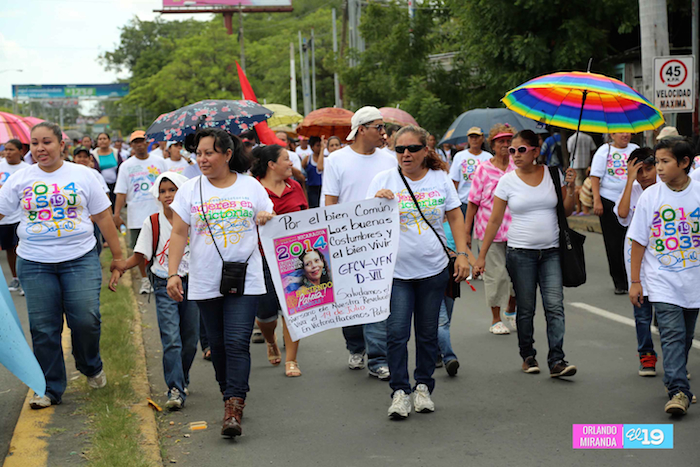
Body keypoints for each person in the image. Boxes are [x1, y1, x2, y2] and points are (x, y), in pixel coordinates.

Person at [0, 122, 125, 409]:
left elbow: (103, 217)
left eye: (47, 142)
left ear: (61, 145)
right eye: (35, 143)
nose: (40, 148)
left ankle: (90, 365)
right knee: (44, 328)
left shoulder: (84, 175)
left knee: (86, 320)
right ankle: (49, 387)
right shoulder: (20, 179)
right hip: (34, 262)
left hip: (79, 260)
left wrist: (118, 258)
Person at [166, 128, 274, 438]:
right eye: (198, 153)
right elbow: (178, 233)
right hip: (205, 278)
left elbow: (269, 215)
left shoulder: (251, 186)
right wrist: (173, 273)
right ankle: (229, 391)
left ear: (227, 154)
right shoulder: (189, 190)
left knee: (237, 342)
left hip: (246, 277)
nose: (202, 159)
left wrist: (265, 217)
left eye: (209, 153)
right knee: (218, 345)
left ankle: (234, 406)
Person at [368, 125, 474, 419]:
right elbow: (366, 223)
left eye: (412, 149)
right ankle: (400, 392)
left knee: (427, 334)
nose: (406, 154)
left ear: (426, 150)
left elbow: (455, 216)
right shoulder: (383, 179)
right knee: (397, 334)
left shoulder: (440, 179)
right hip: (396, 273)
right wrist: (376, 202)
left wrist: (463, 254)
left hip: (433, 270)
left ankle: (423, 387)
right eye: (399, 149)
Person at [474, 130, 577, 378]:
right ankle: (528, 355)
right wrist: (481, 255)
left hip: (551, 252)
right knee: (526, 307)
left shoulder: (553, 174)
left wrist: (572, 188)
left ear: (535, 150)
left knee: (555, 306)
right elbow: (494, 220)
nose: (515, 155)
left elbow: (567, 211)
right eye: (512, 150)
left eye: (521, 150)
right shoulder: (507, 181)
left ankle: (557, 359)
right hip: (520, 253)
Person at [110, 172, 198, 411]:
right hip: (163, 284)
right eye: (163, 191)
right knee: (171, 338)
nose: (168, 195)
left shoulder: (194, 219)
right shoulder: (153, 222)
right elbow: (140, 255)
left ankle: (182, 376)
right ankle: (175, 388)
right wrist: (121, 268)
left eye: (172, 190)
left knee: (190, 339)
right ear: (157, 196)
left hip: (193, 284)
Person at [322, 106, 396, 379]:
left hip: (381, 241)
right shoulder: (337, 159)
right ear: (361, 129)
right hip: (346, 242)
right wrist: (331, 240)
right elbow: (330, 202)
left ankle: (378, 358)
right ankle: (355, 347)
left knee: (377, 299)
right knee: (351, 301)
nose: (384, 133)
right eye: (379, 127)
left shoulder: (390, 159)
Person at [628, 139, 700, 415]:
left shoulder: (697, 193)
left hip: (693, 280)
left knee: (685, 336)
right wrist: (636, 281)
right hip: (661, 280)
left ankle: (675, 375)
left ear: (684, 163)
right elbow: (638, 240)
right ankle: (678, 391)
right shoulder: (650, 197)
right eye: (657, 162)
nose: (658, 167)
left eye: (665, 161)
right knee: (671, 334)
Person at [250, 144, 308, 377]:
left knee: (293, 311)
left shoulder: (295, 187)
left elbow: (307, 218)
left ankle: (291, 360)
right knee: (265, 316)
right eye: (286, 159)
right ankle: (270, 339)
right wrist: (258, 217)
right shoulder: (253, 188)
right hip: (262, 259)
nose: (291, 163)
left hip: (294, 259)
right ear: (271, 164)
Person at [465, 124, 517, 335]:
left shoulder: (518, 166)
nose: (505, 144)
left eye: (508, 141)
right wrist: (466, 232)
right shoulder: (483, 169)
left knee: (518, 276)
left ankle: (511, 308)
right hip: (489, 232)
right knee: (496, 276)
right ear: (493, 145)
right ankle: (496, 319)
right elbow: (473, 202)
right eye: (500, 141)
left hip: (517, 231)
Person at [613, 147, 659, 377]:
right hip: (637, 259)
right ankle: (646, 355)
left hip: (664, 259)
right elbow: (622, 215)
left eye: (648, 169)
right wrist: (630, 181)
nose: (644, 175)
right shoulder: (631, 190)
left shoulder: (665, 190)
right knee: (642, 313)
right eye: (639, 171)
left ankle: (675, 359)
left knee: (667, 313)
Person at [113, 130, 167, 294]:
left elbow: (168, 185)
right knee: (140, 252)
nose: (139, 145)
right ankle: (145, 280)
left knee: (161, 248)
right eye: (135, 142)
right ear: (131, 145)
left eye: (142, 141)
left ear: (147, 143)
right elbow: (121, 192)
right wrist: (116, 214)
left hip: (159, 213)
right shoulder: (126, 166)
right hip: (136, 216)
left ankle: (161, 277)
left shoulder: (159, 162)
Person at [590, 132, 640, 294]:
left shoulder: (635, 149)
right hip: (609, 200)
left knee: (632, 240)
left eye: (627, 132)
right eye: (621, 132)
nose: (625, 135)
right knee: (613, 243)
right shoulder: (604, 151)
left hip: (632, 199)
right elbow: (595, 177)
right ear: (612, 134)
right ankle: (620, 282)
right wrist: (597, 200)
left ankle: (634, 278)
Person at [0, 139, 29, 294]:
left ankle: (25, 281)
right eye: (5, 149)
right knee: (9, 249)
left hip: (20, 216)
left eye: (11, 149)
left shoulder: (27, 169)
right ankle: (15, 278)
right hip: (4, 217)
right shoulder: (1, 166)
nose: (7, 153)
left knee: (20, 247)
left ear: (20, 151)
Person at [449, 127, 491, 215]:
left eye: (477, 137)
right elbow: (454, 181)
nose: (474, 139)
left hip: (483, 203)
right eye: (471, 137)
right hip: (463, 202)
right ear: (468, 139)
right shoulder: (459, 156)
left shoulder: (488, 157)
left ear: (483, 138)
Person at [566, 131, 596, 215]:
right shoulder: (588, 138)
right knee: (586, 187)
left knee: (577, 188)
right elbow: (593, 149)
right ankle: (585, 207)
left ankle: (580, 208)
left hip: (576, 165)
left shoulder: (571, 139)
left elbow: (569, 150)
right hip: (586, 163)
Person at [94, 133, 121, 205]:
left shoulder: (115, 152)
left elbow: (120, 167)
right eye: (100, 139)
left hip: (115, 185)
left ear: (109, 141)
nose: (102, 141)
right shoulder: (93, 154)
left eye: (104, 139)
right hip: (101, 186)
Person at [302, 136, 325, 208]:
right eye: (317, 146)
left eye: (321, 145)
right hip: (312, 188)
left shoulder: (326, 158)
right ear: (312, 147)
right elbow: (302, 171)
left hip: (323, 187)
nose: (320, 148)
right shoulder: (307, 159)